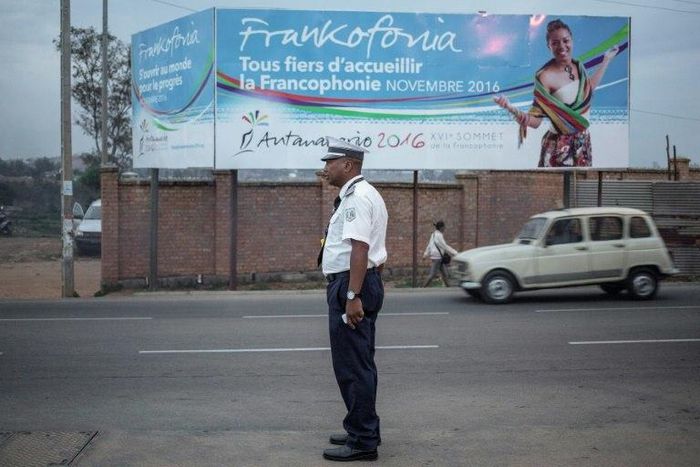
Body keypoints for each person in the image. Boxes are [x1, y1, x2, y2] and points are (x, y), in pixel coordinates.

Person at [318, 137, 388, 462]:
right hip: (358, 282)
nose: (325, 168)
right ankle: (361, 427)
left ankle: (362, 441)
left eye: (329, 162)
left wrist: (353, 295)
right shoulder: (361, 194)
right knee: (360, 362)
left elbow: (360, 249)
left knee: (352, 366)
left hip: (351, 285)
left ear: (347, 164)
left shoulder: (357, 197)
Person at [494, 19, 619, 167]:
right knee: (554, 190)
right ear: (549, 46)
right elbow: (535, 122)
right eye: (555, 43)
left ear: (572, 40)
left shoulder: (579, 66)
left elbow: (588, 90)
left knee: (578, 190)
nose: (562, 46)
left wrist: (606, 60)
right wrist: (510, 108)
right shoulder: (545, 76)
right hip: (558, 146)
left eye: (565, 41)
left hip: (582, 143)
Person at [422, 220, 458, 287]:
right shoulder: (439, 236)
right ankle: (422, 288)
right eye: (444, 227)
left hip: (439, 257)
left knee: (445, 274)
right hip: (437, 258)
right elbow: (445, 246)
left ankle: (449, 288)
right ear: (441, 227)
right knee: (432, 275)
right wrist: (455, 253)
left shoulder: (433, 234)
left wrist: (425, 254)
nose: (445, 228)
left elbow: (429, 245)